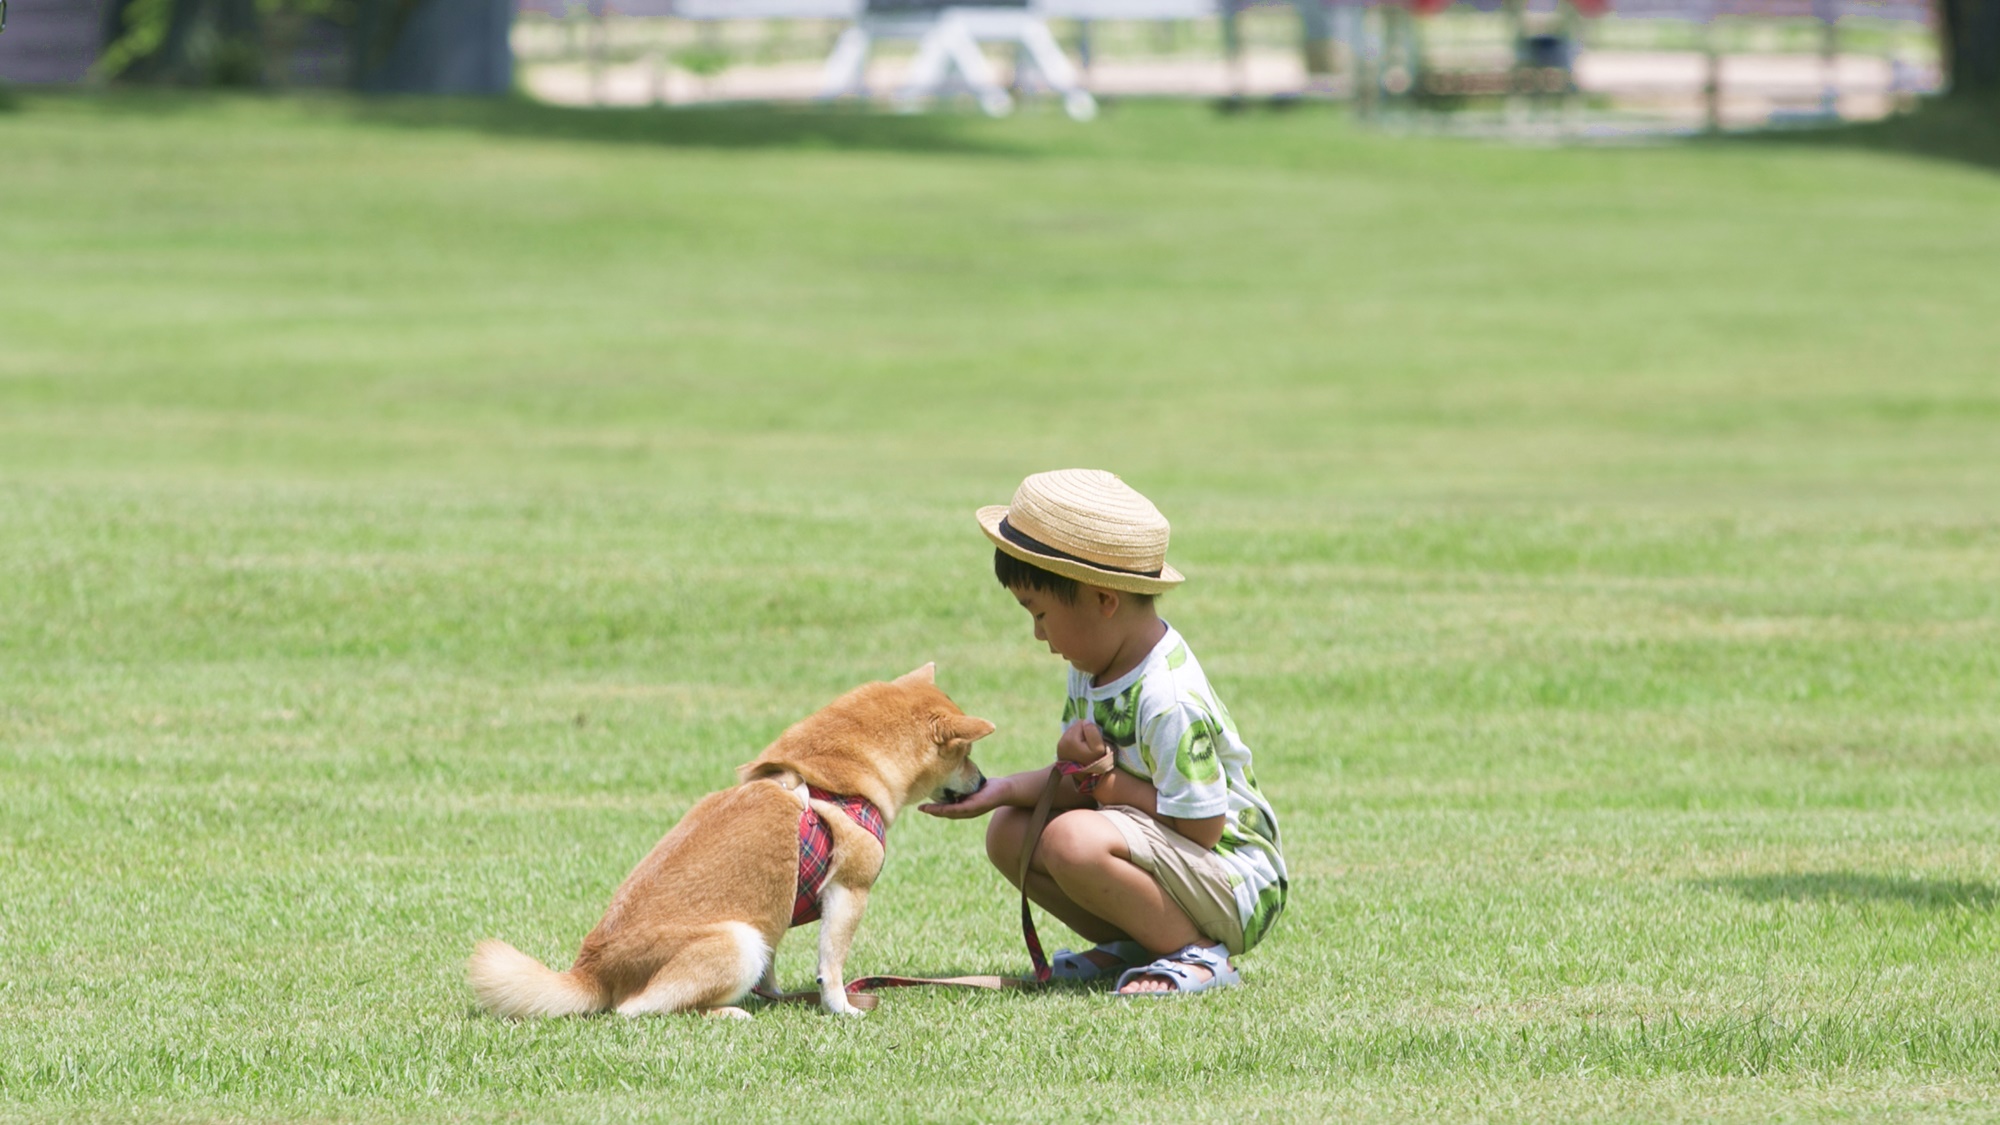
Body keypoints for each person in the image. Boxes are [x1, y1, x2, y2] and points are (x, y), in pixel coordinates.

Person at [921, 468, 1287, 996]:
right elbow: (1081, 782)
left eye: (1041, 613)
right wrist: (999, 790)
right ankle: (1139, 943)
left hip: (1231, 880)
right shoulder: (1095, 668)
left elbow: (1202, 826)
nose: (1038, 633)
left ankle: (1199, 956)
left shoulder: (1167, 698)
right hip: (1174, 856)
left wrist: (1107, 786)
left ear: (1102, 600)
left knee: (1072, 840)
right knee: (1009, 832)